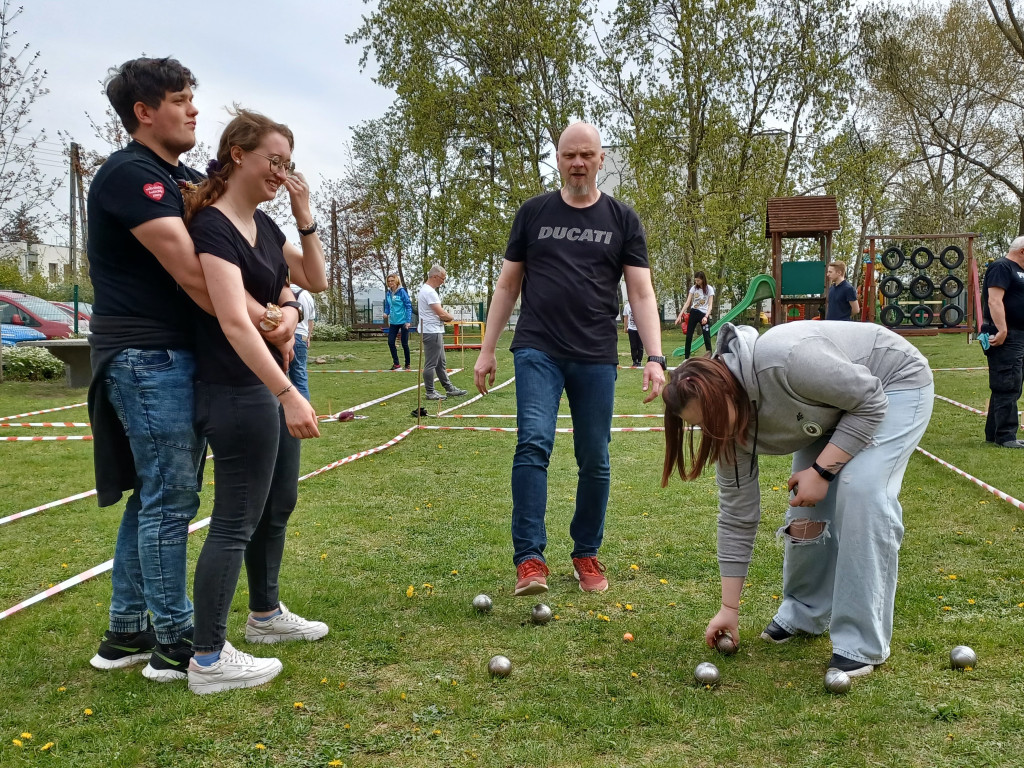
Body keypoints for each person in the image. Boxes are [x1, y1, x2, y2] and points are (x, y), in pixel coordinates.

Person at [85, 57, 288, 683]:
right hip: (147, 353)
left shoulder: (184, 176)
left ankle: (127, 630)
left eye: (192, 98)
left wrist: (283, 302)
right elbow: (193, 271)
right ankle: (178, 643)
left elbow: (246, 241)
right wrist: (262, 316)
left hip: (171, 353)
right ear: (144, 114)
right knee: (172, 496)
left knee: (153, 494)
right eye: (179, 100)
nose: (193, 109)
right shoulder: (131, 175)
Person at [661, 321, 933, 679]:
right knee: (806, 509)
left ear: (728, 391)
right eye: (701, 426)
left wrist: (822, 473)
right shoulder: (724, 426)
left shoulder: (786, 360)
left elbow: (869, 400)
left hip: (892, 385)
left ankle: (861, 642)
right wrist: (730, 607)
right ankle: (804, 612)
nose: (714, 433)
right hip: (831, 410)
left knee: (861, 488)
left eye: (712, 420)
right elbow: (737, 515)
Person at [474, 121, 666, 596]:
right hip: (538, 347)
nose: (577, 163)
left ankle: (585, 553)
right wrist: (486, 348)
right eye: (568, 155)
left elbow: (641, 292)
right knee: (533, 443)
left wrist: (656, 356)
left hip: (596, 354)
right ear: (557, 159)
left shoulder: (623, 220)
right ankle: (530, 560)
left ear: (601, 159)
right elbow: (507, 285)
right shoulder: (533, 213)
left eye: (587, 155)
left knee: (594, 457)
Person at [183, 108, 329, 694]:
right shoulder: (214, 227)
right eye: (274, 161)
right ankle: (208, 660)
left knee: (278, 503)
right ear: (237, 154)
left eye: (288, 165)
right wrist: (288, 393)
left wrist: (304, 217)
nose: (281, 172)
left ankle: (265, 616)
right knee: (235, 519)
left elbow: (312, 282)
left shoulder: (266, 230)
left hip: (268, 384)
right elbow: (234, 322)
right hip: (236, 387)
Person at [980, 237, 1024, 448]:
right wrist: (1003, 329)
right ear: (1022, 251)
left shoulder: (1018, 270)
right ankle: (1006, 436)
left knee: (1010, 383)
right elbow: (994, 300)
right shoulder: (1002, 267)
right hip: (1006, 335)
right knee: (1007, 383)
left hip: (1019, 334)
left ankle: (995, 433)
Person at [417, 265, 467, 400]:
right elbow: (440, 313)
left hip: (435, 330)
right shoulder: (429, 292)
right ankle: (430, 392)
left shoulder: (428, 291)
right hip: (431, 331)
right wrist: (451, 318)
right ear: (434, 276)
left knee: (441, 362)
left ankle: (449, 388)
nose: (443, 282)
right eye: (442, 278)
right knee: (431, 363)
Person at [675, 271, 715, 358]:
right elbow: (687, 303)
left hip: (704, 314)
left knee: (706, 336)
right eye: (695, 280)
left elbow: (710, 305)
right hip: (694, 312)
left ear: (703, 279)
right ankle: (686, 358)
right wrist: (679, 316)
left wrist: (706, 316)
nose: (696, 282)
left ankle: (710, 357)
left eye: (698, 280)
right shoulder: (694, 288)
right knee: (689, 335)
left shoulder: (709, 289)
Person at [288, 282, 317, 400]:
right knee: (300, 376)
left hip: (285, 335)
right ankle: (305, 411)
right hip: (301, 337)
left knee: (280, 376)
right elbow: (311, 321)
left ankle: (281, 414)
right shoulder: (307, 295)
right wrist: (308, 338)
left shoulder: (281, 291)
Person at [384, 273, 412, 370]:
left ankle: (407, 364)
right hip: (393, 322)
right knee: (391, 342)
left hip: (403, 321)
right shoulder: (388, 293)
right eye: (389, 281)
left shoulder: (402, 292)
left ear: (396, 281)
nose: (390, 282)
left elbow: (408, 306)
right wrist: (386, 313)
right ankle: (396, 364)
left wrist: (408, 321)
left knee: (404, 343)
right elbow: (387, 305)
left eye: (392, 280)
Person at [623, 299, 643, 367]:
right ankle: (634, 361)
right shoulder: (627, 306)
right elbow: (626, 317)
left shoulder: (640, 305)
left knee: (640, 346)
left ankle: (639, 361)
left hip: (640, 329)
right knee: (633, 346)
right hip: (631, 329)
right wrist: (625, 327)